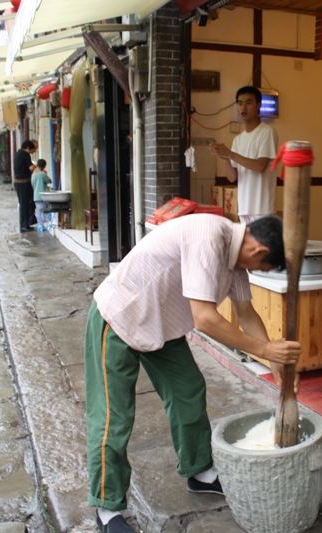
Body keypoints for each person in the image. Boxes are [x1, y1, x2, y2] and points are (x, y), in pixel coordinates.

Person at [85, 214, 301, 533]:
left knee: (188, 389)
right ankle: (106, 509)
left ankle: (199, 472)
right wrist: (267, 350)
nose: (254, 273)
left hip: (162, 324)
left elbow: (246, 313)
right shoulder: (209, 237)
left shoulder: (236, 259)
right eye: (261, 269)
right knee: (112, 417)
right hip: (120, 316)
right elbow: (205, 319)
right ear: (259, 252)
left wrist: (275, 363)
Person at [209, 86, 279, 224]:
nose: (243, 107)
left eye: (248, 102)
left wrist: (231, 154)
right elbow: (232, 178)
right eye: (240, 103)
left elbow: (260, 166)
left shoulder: (267, 132)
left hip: (262, 208)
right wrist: (225, 159)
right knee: (248, 246)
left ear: (258, 105)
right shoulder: (238, 139)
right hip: (244, 207)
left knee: (262, 246)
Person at [13, 140, 38, 233]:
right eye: (33, 149)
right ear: (27, 147)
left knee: (25, 203)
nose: (34, 151)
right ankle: (24, 225)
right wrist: (37, 167)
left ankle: (26, 224)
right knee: (24, 204)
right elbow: (31, 167)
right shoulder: (25, 154)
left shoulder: (19, 153)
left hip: (19, 182)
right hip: (23, 182)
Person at [31, 159, 52, 232]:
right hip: (44, 195)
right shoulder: (42, 174)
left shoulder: (33, 174)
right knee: (46, 210)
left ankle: (40, 225)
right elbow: (49, 181)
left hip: (36, 196)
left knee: (39, 211)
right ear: (44, 166)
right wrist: (45, 174)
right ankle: (46, 224)